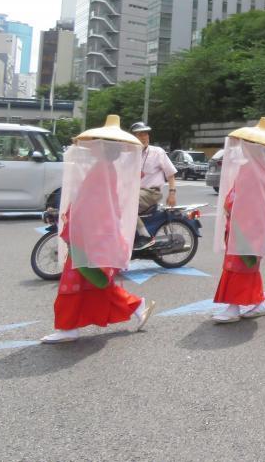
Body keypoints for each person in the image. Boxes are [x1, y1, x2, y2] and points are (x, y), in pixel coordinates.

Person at [41, 115, 155, 344]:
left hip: (87, 236)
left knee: (78, 281)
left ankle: (68, 327)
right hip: (92, 236)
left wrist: (76, 231)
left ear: (102, 147)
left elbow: (91, 206)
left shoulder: (101, 171)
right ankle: (136, 305)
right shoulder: (105, 169)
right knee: (93, 281)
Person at [211, 117, 265, 323]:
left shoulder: (253, 171)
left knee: (240, 265)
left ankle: (234, 307)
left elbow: (246, 202)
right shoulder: (259, 170)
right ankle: (258, 302)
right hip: (247, 227)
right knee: (245, 265)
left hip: (246, 229)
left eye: (246, 145)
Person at [129, 121, 177, 250]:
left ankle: (145, 237)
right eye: (140, 134)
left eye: (146, 134)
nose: (144, 137)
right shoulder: (129, 154)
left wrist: (172, 193)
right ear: (133, 137)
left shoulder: (157, 152)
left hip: (151, 192)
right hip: (134, 191)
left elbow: (171, 174)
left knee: (127, 204)